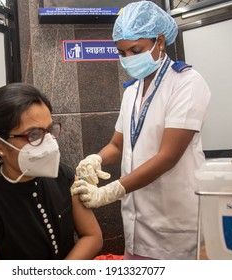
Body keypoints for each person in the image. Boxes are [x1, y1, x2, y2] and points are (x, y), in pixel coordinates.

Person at [71, 1, 211, 260]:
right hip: (137, 223)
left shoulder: (186, 83)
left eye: (135, 50)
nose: (128, 59)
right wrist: (96, 158)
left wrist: (109, 192)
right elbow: (117, 145)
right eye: (122, 52)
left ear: (159, 42)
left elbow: (167, 157)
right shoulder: (133, 91)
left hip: (176, 225)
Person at [0, 83, 103, 260]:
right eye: (33, 135)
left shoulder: (62, 174)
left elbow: (92, 236)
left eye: (49, 130)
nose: (49, 143)